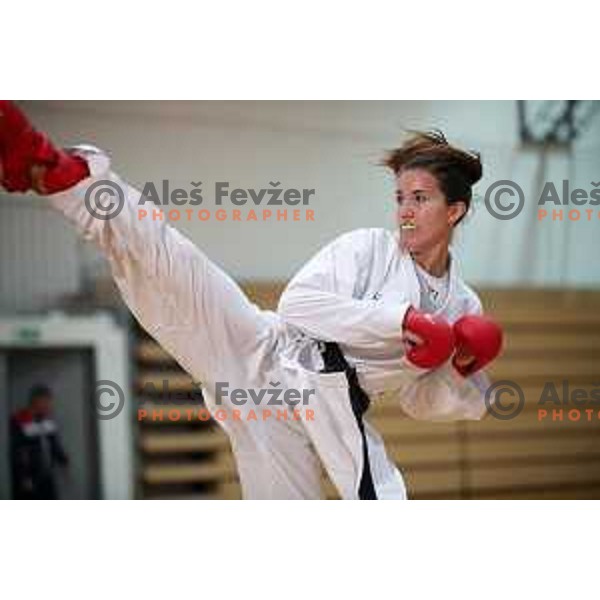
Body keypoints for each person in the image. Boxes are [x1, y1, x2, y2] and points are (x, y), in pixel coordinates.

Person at [0, 101, 503, 499]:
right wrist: (402, 321)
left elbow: (420, 401)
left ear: (455, 210)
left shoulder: (463, 308)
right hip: (260, 349)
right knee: (172, 263)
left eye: (420, 199)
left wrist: (459, 370)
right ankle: (61, 173)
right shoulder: (369, 247)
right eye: (400, 198)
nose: (406, 212)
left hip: (305, 414)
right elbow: (298, 304)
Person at [10, 384, 69, 500]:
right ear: (37, 401)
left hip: (46, 475)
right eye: (46, 402)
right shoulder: (18, 420)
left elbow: (54, 443)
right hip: (29, 478)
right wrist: (24, 476)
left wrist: (63, 461)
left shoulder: (46, 420)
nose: (49, 406)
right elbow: (17, 451)